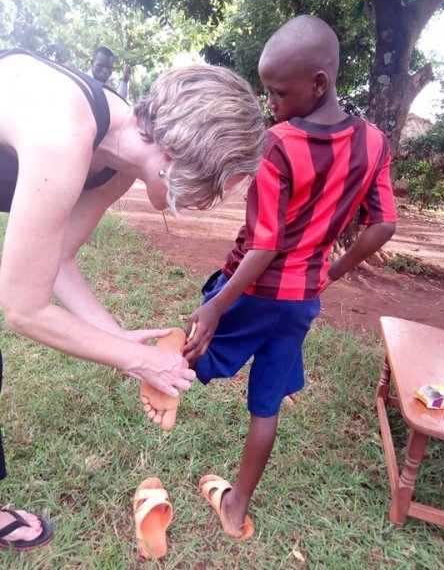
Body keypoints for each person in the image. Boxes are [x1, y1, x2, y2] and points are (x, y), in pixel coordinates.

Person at [143, 14, 397, 541]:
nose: (272, 105)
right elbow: (383, 224)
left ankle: (164, 374)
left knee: (203, 333)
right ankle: (236, 508)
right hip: (303, 299)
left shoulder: (276, 144)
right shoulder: (374, 143)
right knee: (266, 405)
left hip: (257, 290)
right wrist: (332, 270)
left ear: (319, 84)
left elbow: (263, 243)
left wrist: (217, 305)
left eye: (278, 93)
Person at [0, 48, 265, 551]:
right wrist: (141, 360)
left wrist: (117, 339)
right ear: (179, 157)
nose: (204, 203)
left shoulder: (118, 162)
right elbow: (22, 307)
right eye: (209, 187)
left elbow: (56, 260)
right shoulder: (64, 135)